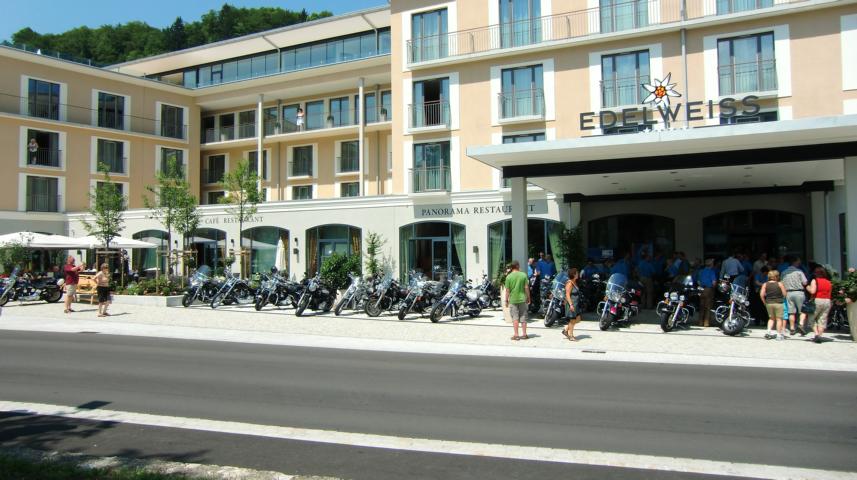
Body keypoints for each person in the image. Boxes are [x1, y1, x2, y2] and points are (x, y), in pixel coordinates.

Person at [504, 260, 531, 341]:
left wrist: (506, 300)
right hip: (522, 299)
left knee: (515, 317)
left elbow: (507, 290)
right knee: (523, 316)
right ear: (517, 266)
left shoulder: (508, 277)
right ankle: (524, 334)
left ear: (511, 267)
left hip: (513, 299)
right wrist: (528, 297)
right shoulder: (523, 275)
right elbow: (526, 288)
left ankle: (516, 335)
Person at [781, 256, 808, 336]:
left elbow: (782, 283)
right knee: (803, 310)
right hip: (799, 292)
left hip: (788, 293)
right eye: (798, 261)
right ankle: (801, 324)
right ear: (795, 261)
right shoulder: (799, 271)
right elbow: (805, 282)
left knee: (791, 312)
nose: (800, 262)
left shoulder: (784, 272)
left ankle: (792, 328)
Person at [806, 267, 832, 344]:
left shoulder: (815, 281)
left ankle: (816, 334)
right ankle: (820, 336)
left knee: (811, 317)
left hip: (817, 299)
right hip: (827, 301)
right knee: (822, 319)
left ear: (816, 273)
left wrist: (807, 287)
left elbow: (812, 291)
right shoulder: (829, 282)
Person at [759, 269, 787, 340]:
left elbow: (761, 295)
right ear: (777, 276)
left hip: (769, 303)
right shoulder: (779, 284)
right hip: (778, 302)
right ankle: (779, 334)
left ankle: (768, 332)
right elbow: (784, 294)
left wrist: (764, 302)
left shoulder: (765, 284)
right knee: (779, 319)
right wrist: (782, 298)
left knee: (771, 318)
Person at [562, 268, 583, 341]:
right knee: (572, 320)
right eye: (577, 273)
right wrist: (571, 305)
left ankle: (565, 330)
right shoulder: (569, 283)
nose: (578, 274)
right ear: (573, 274)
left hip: (576, 304)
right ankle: (571, 335)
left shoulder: (574, 282)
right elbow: (567, 294)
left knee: (578, 319)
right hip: (572, 304)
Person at [698, 258, 718, 327]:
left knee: (701, 306)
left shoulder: (701, 271)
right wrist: (714, 288)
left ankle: (700, 322)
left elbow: (698, 281)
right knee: (708, 306)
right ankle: (706, 323)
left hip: (701, 289)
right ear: (711, 264)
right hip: (708, 289)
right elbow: (714, 282)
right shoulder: (711, 271)